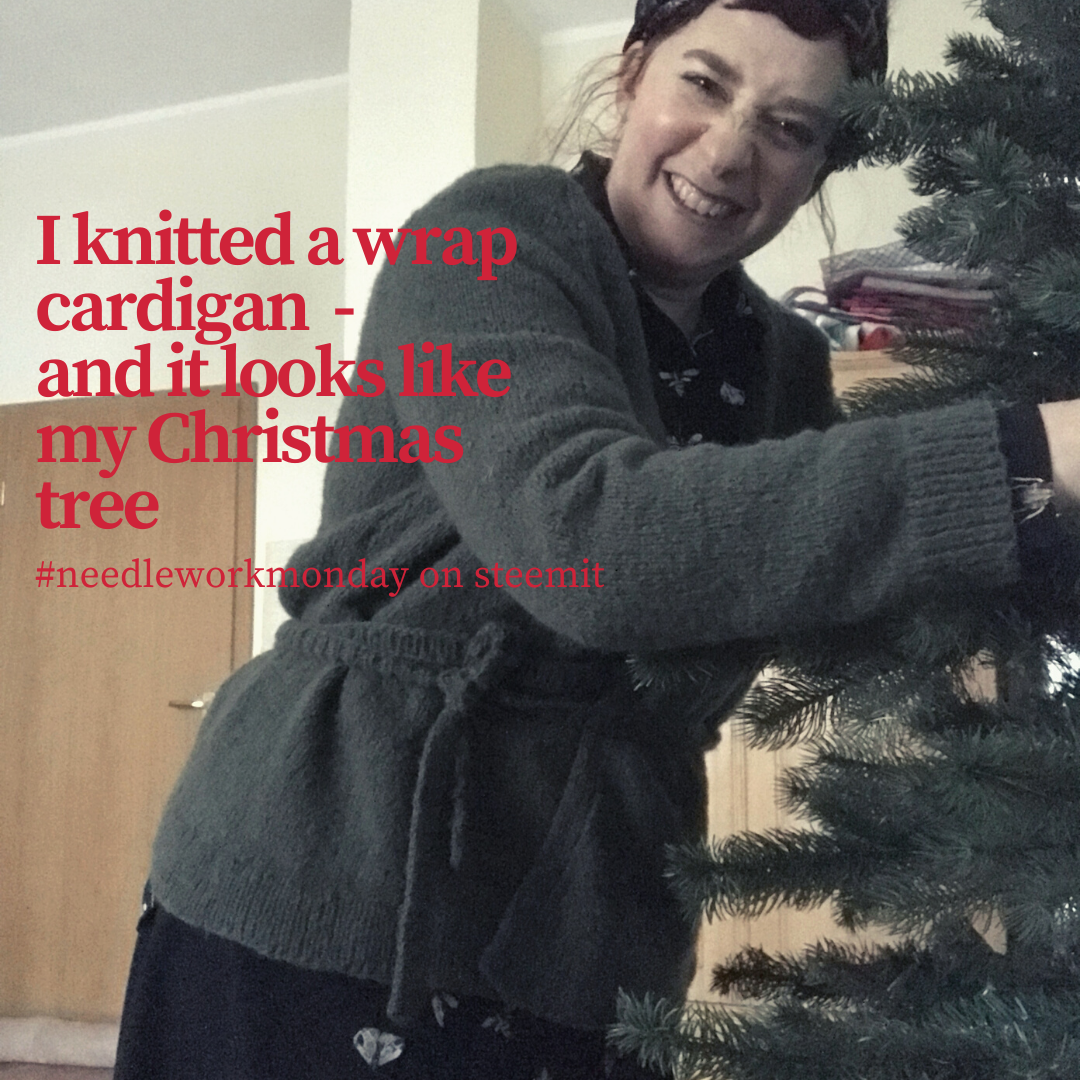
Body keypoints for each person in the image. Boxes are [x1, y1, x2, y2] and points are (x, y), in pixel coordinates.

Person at [113, 1, 1080, 1077]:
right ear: (631, 75)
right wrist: (1032, 456)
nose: (726, 153)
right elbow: (593, 542)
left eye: (790, 127)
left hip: (592, 917)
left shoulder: (786, 365)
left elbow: (755, 607)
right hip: (327, 881)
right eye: (704, 84)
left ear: (819, 167)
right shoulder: (487, 240)